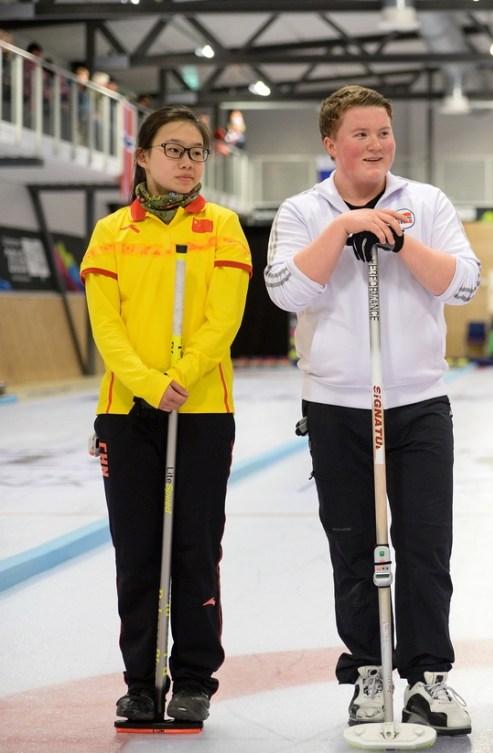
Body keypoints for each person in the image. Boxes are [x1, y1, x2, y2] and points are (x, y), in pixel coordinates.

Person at [264, 85, 480, 736]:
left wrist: (397, 240)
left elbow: (462, 281)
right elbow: (286, 290)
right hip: (336, 405)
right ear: (330, 144)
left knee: (424, 545)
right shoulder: (304, 210)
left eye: (383, 132)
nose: (376, 144)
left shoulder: (426, 203)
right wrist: (344, 228)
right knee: (355, 543)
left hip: (416, 401)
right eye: (360, 134)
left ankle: (428, 677)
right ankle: (366, 671)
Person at [80, 104, 251, 724]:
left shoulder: (225, 226)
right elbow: (107, 325)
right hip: (128, 412)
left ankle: (195, 679)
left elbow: (223, 319)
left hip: (203, 408)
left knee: (196, 548)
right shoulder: (111, 234)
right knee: (138, 550)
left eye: (196, 152)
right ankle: (141, 680)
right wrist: (149, 384)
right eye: (173, 150)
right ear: (144, 157)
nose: (186, 162)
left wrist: (181, 377)